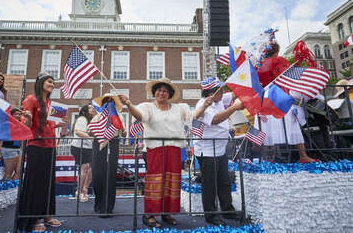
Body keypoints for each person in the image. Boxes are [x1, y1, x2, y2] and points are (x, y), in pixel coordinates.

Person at [118, 77, 212, 228]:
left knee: (171, 181)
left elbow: (193, 116)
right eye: (159, 90)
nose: (162, 93)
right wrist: (129, 104)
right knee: (155, 182)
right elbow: (140, 117)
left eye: (165, 91)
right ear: (154, 93)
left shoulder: (180, 108)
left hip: (174, 149)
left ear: (170, 94)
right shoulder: (147, 107)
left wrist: (205, 106)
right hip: (155, 148)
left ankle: (166, 213)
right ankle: (149, 214)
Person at [17, 72, 67, 232]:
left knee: (48, 181)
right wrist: (28, 118)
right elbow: (26, 124)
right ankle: (34, 218)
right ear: (41, 83)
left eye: (53, 82)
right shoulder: (31, 99)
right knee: (36, 182)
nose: (52, 84)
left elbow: (48, 124)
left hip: (50, 146)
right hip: (36, 146)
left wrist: (56, 126)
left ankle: (47, 214)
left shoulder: (51, 103)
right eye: (49, 81)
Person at [193, 77, 244, 225]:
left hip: (220, 149)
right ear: (211, 93)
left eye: (222, 90)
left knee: (224, 181)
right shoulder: (203, 104)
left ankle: (227, 209)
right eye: (220, 90)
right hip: (207, 151)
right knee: (209, 184)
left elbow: (234, 94)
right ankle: (211, 215)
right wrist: (234, 107)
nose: (223, 93)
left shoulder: (219, 99)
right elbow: (215, 119)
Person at [256, 42, 318, 163]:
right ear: (276, 51)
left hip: (265, 98)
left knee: (266, 128)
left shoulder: (258, 65)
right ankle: (303, 156)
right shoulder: (279, 60)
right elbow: (289, 77)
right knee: (293, 125)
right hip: (280, 96)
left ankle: (268, 158)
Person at [91, 94, 126, 217]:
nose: (108, 102)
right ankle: (98, 204)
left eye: (111, 100)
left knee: (110, 176)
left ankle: (107, 208)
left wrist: (123, 131)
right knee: (97, 176)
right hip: (98, 145)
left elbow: (123, 132)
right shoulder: (98, 116)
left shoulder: (119, 116)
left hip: (113, 144)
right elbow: (90, 130)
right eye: (106, 100)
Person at [70, 104, 96, 202]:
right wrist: (91, 138)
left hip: (89, 147)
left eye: (93, 107)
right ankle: (79, 192)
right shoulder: (82, 119)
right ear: (85, 110)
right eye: (90, 108)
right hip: (79, 146)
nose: (92, 109)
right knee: (84, 168)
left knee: (93, 168)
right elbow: (78, 132)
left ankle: (85, 188)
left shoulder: (91, 120)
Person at [0, 108, 26, 179]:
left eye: (19, 114)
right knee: (9, 173)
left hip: (18, 149)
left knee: (19, 171)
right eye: (16, 114)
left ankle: (12, 188)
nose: (18, 115)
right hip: (9, 149)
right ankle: (4, 189)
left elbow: (22, 138)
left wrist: (23, 150)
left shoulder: (21, 125)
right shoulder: (7, 123)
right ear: (11, 115)